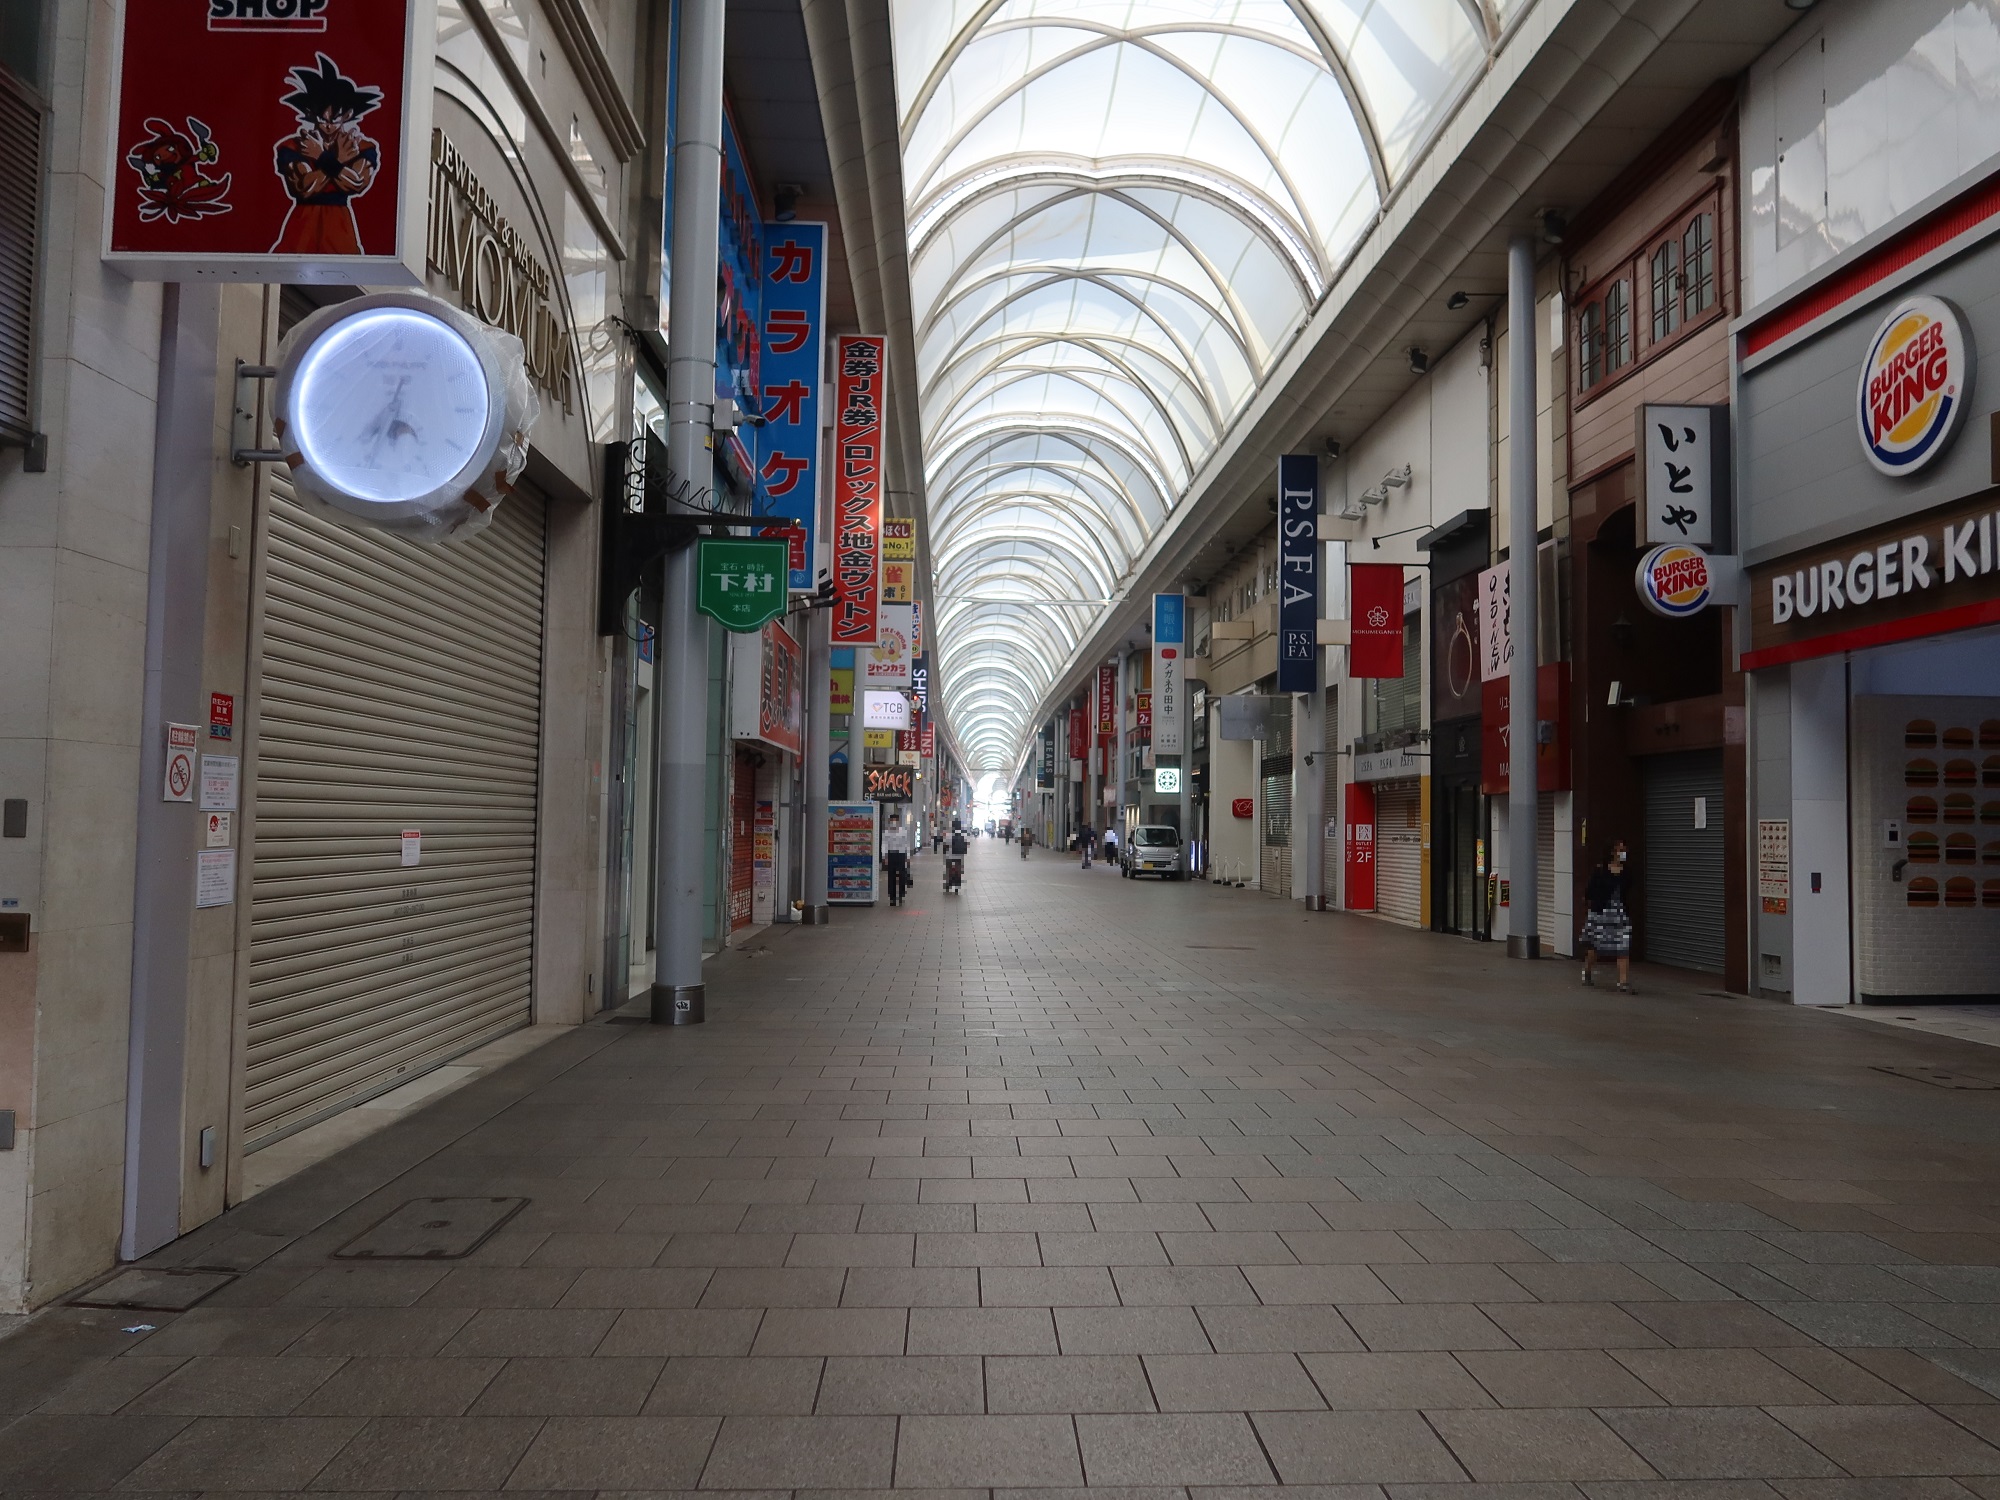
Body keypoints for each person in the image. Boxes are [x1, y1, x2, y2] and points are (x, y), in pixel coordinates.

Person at [1580, 842, 1634, 992]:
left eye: (1625, 849)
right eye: (1620, 850)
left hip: (1620, 914)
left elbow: (1628, 891)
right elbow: (1589, 892)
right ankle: (1588, 971)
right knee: (1595, 947)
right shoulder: (1600, 871)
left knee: (1623, 946)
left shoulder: (1627, 872)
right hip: (1601, 914)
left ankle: (1623, 982)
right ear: (1612, 852)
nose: (1623, 852)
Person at [882, 811, 912, 908]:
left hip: (901, 855)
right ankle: (892, 897)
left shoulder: (903, 831)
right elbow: (884, 845)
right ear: (890, 821)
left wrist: (907, 857)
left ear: (898, 821)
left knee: (902, 876)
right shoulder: (886, 832)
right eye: (892, 820)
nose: (894, 822)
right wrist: (884, 856)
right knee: (891, 877)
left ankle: (901, 894)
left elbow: (907, 844)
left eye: (895, 820)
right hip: (891, 855)